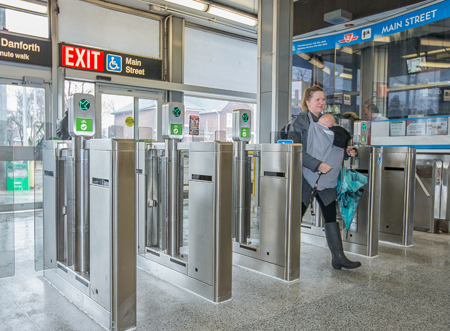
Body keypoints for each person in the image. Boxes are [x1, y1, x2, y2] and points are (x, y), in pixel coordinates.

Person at [288, 86, 361, 270]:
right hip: (306, 177)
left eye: (323, 100)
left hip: (325, 179)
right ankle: (283, 254)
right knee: (295, 215)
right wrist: (316, 164)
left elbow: (331, 149)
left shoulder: (327, 122)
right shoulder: (300, 123)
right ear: (307, 102)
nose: (321, 103)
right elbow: (295, 151)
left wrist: (346, 152)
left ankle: (338, 257)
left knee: (330, 214)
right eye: (317, 100)